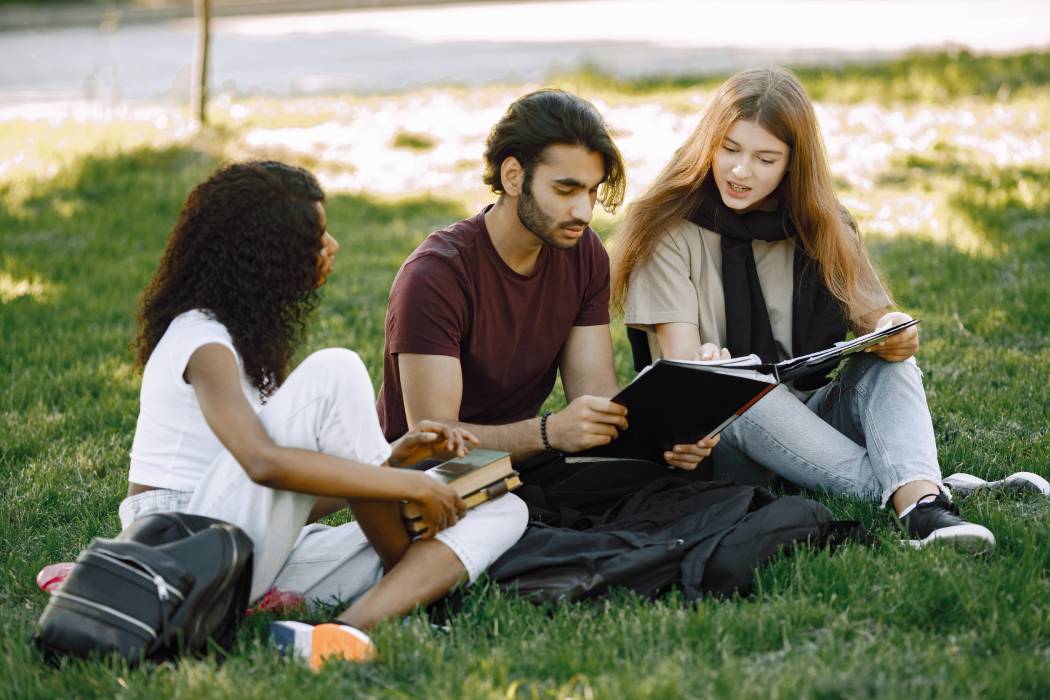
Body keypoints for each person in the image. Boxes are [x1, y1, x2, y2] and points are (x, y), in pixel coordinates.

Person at [120, 160, 528, 669]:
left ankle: (343, 632)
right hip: (182, 552)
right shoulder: (200, 339)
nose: (332, 246)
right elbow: (263, 464)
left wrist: (398, 461)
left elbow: (283, 502)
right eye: (313, 237)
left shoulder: (245, 342)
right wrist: (407, 486)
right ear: (264, 255)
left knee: (503, 508)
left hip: (252, 556)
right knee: (336, 370)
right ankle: (415, 584)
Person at [611, 66, 1015, 552]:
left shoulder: (820, 223)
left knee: (885, 366)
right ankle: (922, 492)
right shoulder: (669, 233)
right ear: (708, 144)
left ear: (792, 164)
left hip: (811, 419)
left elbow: (875, 317)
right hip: (724, 440)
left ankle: (922, 505)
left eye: (765, 158)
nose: (741, 171)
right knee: (745, 387)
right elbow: (684, 377)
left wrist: (894, 331)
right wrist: (708, 372)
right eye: (730, 149)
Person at [376, 89, 721, 521]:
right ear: (513, 176)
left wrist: (669, 438)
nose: (584, 211)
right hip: (428, 480)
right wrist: (550, 431)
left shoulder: (583, 252)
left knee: (679, 477)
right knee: (508, 509)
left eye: (592, 192)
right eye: (566, 189)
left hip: (523, 463)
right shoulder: (434, 276)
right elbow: (434, 440)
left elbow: (594, 390)